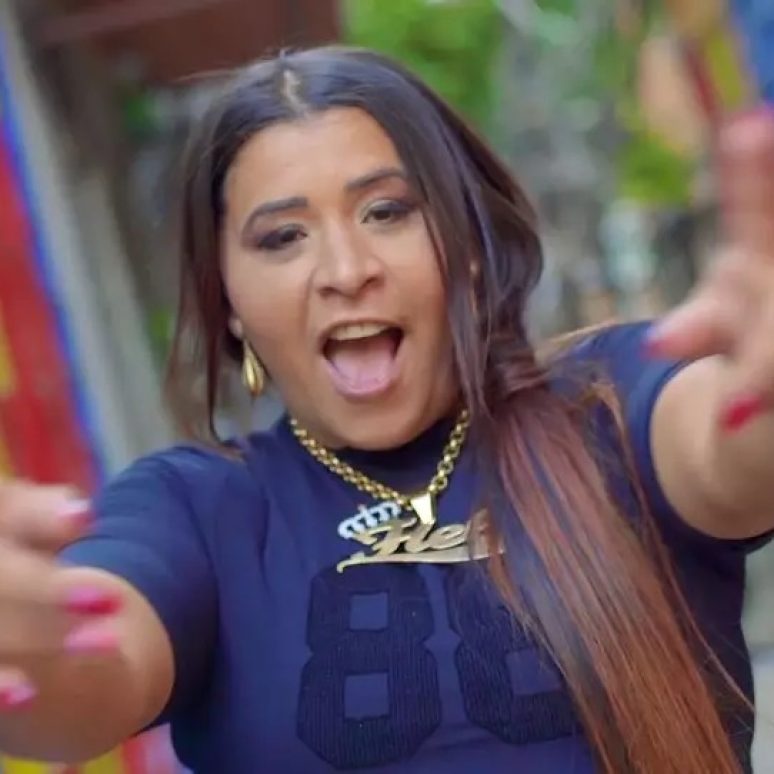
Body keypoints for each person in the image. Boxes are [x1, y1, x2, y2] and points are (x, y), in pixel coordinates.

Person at [0, 46, 773, 774]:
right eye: (283, 237)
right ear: (228, 300)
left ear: (468, 244)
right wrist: (30, 647)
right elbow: (85, 677)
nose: (346, 270)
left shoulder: (609, 403)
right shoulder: (198, 513)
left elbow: (734, 443)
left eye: (386, 211)